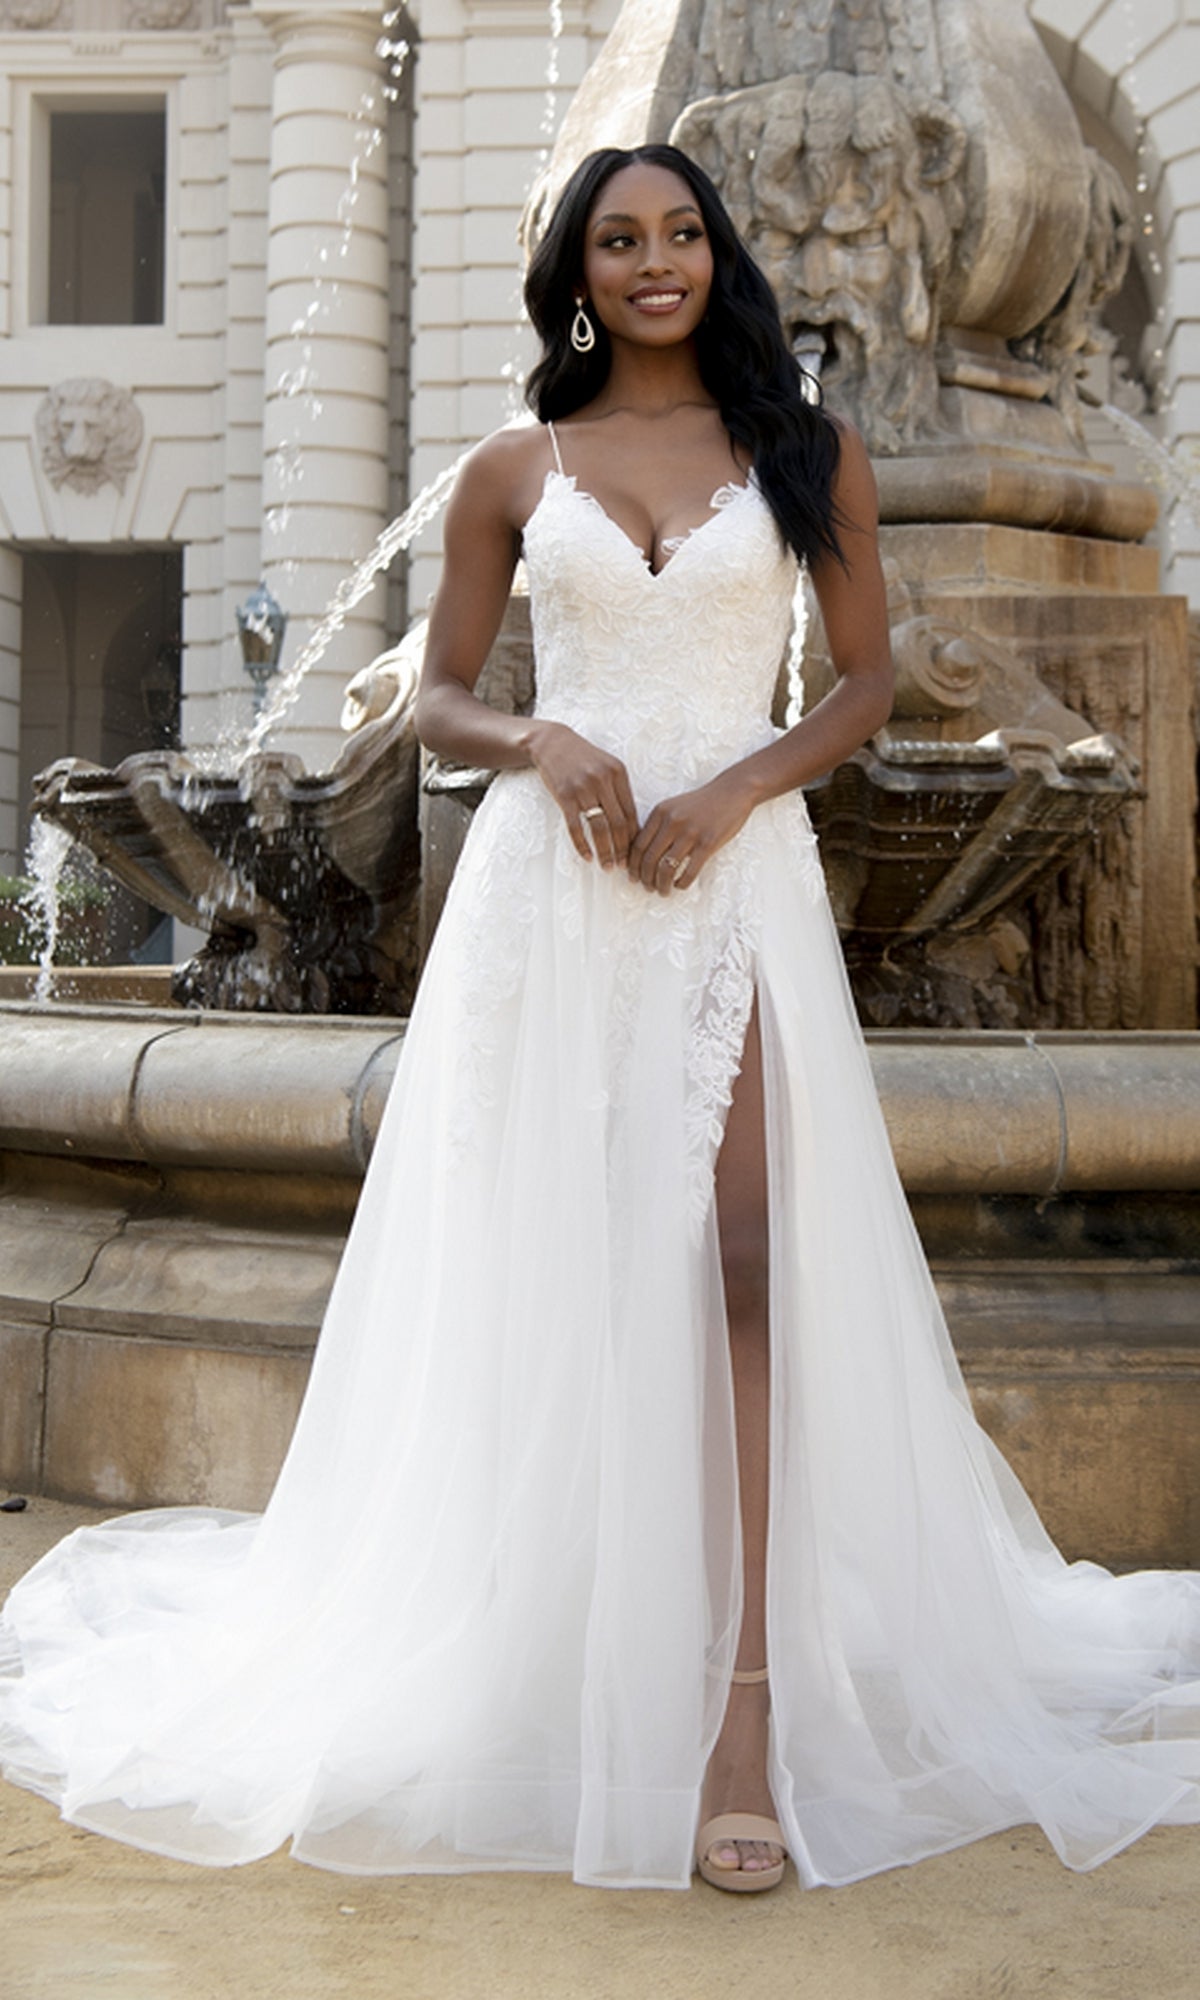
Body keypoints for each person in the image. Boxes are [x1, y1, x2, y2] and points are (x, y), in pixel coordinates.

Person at [0, 145, 1197, 1897]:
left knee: (740, 1258)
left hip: (736, 882)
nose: (656, 262)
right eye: (621, 238)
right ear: (575, 269)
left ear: (720, 257)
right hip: (550, 905)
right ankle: (553, 1647)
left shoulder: (807, 454)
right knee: (549, 1266)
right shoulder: (511, 469)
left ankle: (742, 1710)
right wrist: (540, 739)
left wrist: (735, 791)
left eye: (684, 234)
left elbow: (864, 682)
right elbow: (445, 697)